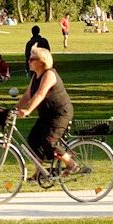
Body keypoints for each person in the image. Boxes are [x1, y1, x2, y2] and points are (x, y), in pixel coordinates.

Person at [15, 46, 75, 177]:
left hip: (60, 113)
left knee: (49, 141)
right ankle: (39, 172)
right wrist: (14, 110)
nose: (28, 61)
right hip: (46, 114)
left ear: (42, 61)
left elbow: (40, 94)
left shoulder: (49, 74)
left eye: (31, 59)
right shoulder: (36, 76)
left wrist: (27, 110)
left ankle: (71, 164)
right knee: (33, 140)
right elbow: (27, 95)